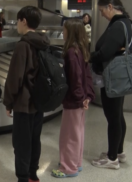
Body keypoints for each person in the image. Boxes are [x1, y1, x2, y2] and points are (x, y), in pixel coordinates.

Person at [3, 6, 50, 182]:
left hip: (24, 103)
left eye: (18, 20)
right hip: (39, 100)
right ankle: (33, 174)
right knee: (34, 139)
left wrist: (8, 102)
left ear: (24, 21)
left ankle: (23, 177)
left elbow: (15, 78)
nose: (17, 25)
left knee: (22, 142)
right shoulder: (43, 43)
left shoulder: (23, 45)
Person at [90, 0, 132, 169]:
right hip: (121, 76)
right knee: (118, 115)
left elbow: (105, 52)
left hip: (113, 77)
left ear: (110, 6)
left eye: (102, 10)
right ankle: (119, 151)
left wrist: (89, 57)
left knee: (113, 118)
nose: (101, 14)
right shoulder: (126, 23)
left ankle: (111, 158)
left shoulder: (118, 25)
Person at [51, 19, 95, 178]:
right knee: (78, 133)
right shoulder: (81, 50)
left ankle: (68, 168)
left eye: (64, 30)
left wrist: (78, 98)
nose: (63, 33)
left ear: (71, 33)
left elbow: (75, 79)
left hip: (74, 100)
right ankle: (76, 162)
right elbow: (86, 76)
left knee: (68, 135)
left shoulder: (70, 52)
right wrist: (87, 96)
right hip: (81, 99)